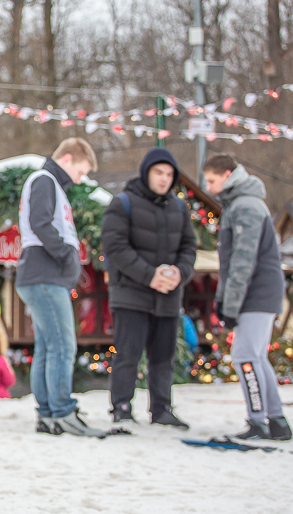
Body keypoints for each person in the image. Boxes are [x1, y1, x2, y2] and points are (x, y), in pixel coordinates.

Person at [101, 147, 197, 428]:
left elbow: (189, 247)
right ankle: (121, 407)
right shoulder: (123, 203)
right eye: (159, 172)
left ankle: (161, 409)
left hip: (168, 296)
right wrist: (149, 275)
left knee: (163, 358)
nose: (164, 179)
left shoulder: (179, 207)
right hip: (130, 294)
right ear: (146, 173)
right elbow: (115, 247)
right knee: (128, 355)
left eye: (169, 174)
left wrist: (180, 272)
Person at [15, 138, 101, 436]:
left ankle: (49, 412)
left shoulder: (49, 183)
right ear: (67, 159)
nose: (80, 179)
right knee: (63, 345)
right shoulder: (45, 180)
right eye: (80, 171)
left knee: (48, 347)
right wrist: (67, 255)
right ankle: (62, 410)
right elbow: (41, 223)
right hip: (45, 274)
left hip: (40, 274)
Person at [203, 155, 291, 441]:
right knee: (255, 356)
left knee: (244, 356)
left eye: (212, 180)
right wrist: (223, 299)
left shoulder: (246, 206)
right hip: (257, 291)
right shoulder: (240, 204)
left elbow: (242, 260)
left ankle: (258, 421)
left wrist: (230, 304)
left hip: (256, 292)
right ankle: (276, 421)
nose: (208, 186)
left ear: (228, 175)